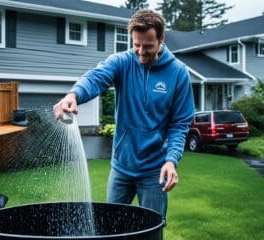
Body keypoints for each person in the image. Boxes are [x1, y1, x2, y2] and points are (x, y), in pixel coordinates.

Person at [53, 9, 194, 224]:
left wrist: (171, 160)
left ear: (161, 38)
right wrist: (74, 94)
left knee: (151, 229)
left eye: (147, 46)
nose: (140, 52)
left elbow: (180, 124)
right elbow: (96, 77)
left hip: (154, 171)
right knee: (111, 227)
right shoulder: (122, 62)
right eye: (136, 45)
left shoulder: (178, 73)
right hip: (121, 168)